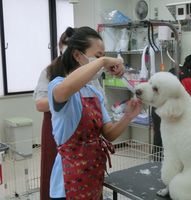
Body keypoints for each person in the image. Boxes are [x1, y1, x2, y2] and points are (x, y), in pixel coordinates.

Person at [47, 26, 142, 199]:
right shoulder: (57, 85)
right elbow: (64, 90)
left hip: (92, 176)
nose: (102, 61)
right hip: (67, 183)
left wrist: (128, 115)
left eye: (102, 56)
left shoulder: (93, 92)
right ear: (77, 55)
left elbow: (109, 134)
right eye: (97, 55)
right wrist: (104, 61)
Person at [33, 27, 75, 200]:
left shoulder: (88, 72)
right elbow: (40, 104)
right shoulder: (50, 71)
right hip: (55, 127)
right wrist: (64, 95)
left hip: (79, 128)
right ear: (61, 48)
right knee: (53, 169)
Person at [152, 54, 191, 153]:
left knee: (159, 136)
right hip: (167, 109)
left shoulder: (173, 69)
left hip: (156, 106)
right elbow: (186, 99)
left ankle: (156, 162)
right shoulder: (187, 76)